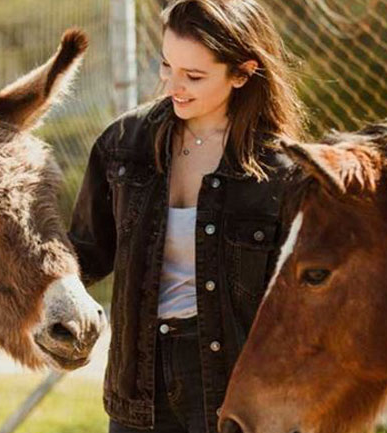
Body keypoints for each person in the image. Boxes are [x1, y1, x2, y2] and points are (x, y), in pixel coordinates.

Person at [68, 1, 305, 432]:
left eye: (193, 76)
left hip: (234, 391)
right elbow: (82, 256)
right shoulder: (123, 146)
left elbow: (296, 309)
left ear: (242, 73)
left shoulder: (280, 172)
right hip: (138, 384)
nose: (173, 85)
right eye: (166, 66)